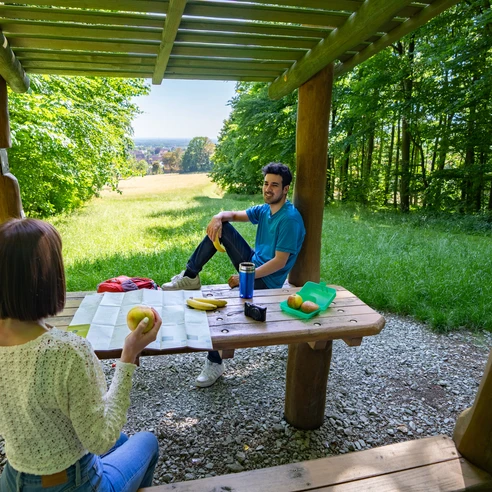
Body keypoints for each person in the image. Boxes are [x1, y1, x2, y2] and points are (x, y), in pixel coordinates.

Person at [0, 218, 162, 492]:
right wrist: (128, 357)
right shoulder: (67, 351)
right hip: (74, 484)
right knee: (147, 441)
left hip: (12, 478)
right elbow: (100, 440)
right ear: (50, 278)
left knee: (123, 441)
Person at [162, 162, 306, 388]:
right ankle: (191, 275)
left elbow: (280, 262)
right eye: (266, 183)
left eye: (275, 185)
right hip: (253, 265)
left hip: (268, 281)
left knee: (224, 305)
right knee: (224, 226)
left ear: (286, 189)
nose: (268, 189)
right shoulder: (266, 210)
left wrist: (246, 277)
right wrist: (218, 216)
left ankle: (215, 362)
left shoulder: (289, 219)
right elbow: (233, 215)